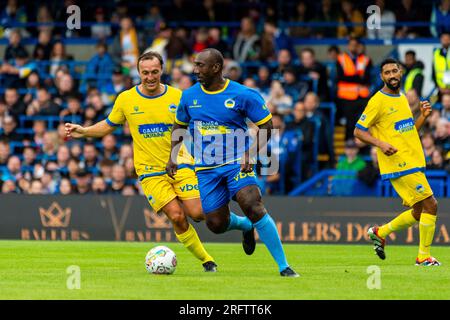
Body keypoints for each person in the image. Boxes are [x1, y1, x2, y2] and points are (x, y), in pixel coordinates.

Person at [65, 51, 217, 272]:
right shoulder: (126, 99)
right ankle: (207, 261)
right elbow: (108, 124)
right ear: (138, 72)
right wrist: (85, 130)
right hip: (150, 172)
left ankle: (239, 223)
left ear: (161, 70)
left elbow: (201, 122)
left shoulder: (178, 96)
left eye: (154, 72)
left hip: (180, 164)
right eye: (145, 73)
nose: (150, 77)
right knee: (177, 216)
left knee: (200, 214)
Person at [167, 48, 299, 277]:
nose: (195, 70)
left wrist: (250, 153)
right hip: (206, 169)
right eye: (195, 65)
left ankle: (284, 266)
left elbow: (267, 128)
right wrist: (173, 156)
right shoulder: (188, 96)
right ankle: (245, 226)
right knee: (216, 224)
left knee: (252, 204)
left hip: (236, 162)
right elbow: (179, 126)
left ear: (216, 68)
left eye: (200, 65)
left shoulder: (243, 94)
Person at [354, 58, 440, 266]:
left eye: (395, 71)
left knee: (420, 211)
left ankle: (380, 232)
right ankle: (423, 257)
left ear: (400, 72)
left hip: (412, 159)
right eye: (387, 73)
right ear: (381, 76)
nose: (392, 75)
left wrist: (423, 117)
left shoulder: (401, 97)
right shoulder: (378, 101)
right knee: (431, 205)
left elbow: (408, 131)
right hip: (398, 162)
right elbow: (358, 131)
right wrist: (381, 144)